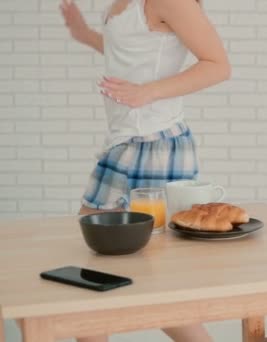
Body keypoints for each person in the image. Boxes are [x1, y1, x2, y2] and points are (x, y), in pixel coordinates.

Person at [60, 0, 230, 340]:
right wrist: (87, 35)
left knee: (147, 276)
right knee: (97, 270)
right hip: (125, 144)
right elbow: (132, 49)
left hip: (155, 145)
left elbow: (218, 65)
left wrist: (147, 92)